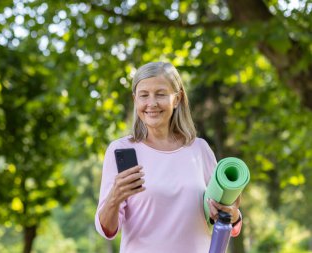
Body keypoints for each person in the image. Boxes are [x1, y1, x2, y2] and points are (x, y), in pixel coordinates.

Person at [95, 62, 242, 253]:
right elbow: (107, 230)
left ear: (177, 98)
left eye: (161, 94)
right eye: (144, 95)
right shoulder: (120, 150)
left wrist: (233, 214)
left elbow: (226, 218)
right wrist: (115, 197)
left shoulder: (199, 149)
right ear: (135, 100)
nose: (152, 103)